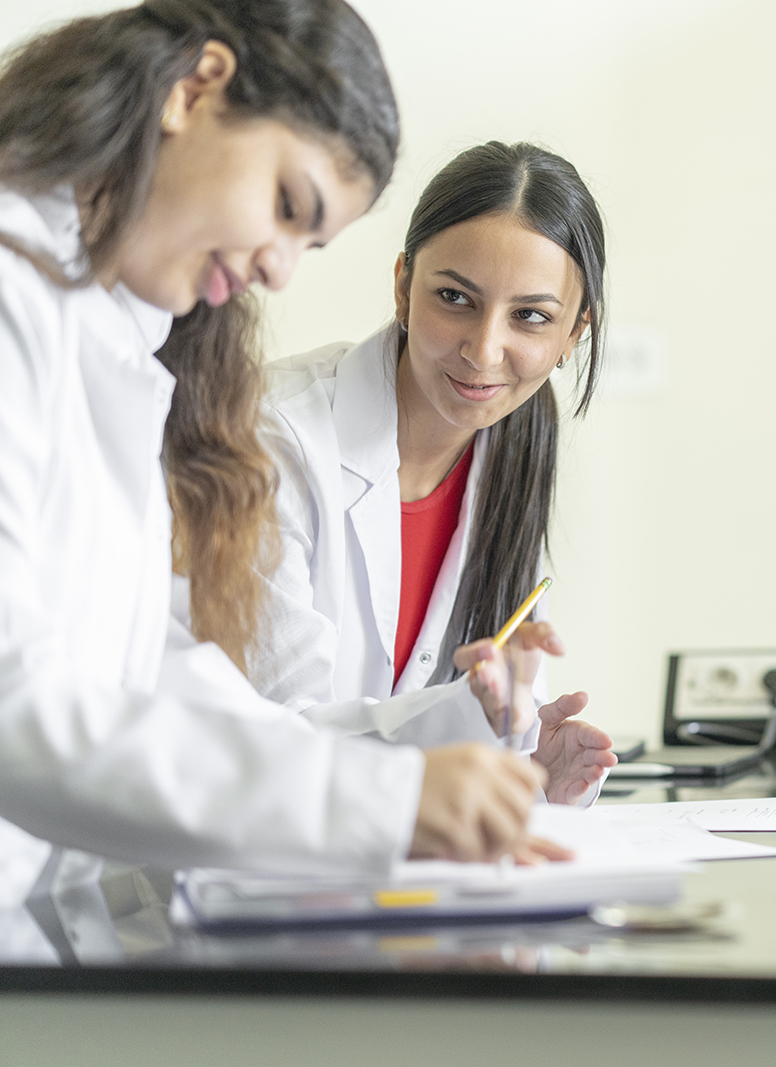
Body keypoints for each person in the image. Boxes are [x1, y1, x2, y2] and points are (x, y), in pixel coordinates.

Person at [0, 0, 561, 903]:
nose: (280, 270)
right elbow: (14, 702)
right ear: (196, 88)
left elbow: (151, 671)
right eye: (287, 206)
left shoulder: (106, 338)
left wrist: (432, 769)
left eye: (312, 241)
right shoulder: (16, 304)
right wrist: (383, 800)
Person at [248, 142, 617, 805]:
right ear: (402, 286)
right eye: (455, 298)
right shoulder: (274, 435)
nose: (483, 349)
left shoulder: (518, 442)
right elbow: (275, 743)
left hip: (378, 868)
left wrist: (529, 772)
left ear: (574, 333)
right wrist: (467, 722)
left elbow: (479, 708)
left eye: (530, 316)